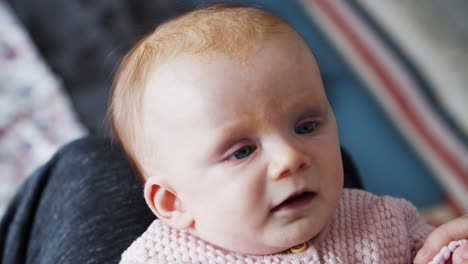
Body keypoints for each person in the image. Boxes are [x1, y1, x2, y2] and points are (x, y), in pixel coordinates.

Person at [107, 3, 466, 263]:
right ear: (175, 201)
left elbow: (438, 251)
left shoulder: (383, 220)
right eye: (242, 151)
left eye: (306, 127)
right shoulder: (161, 259)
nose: (290, 158)